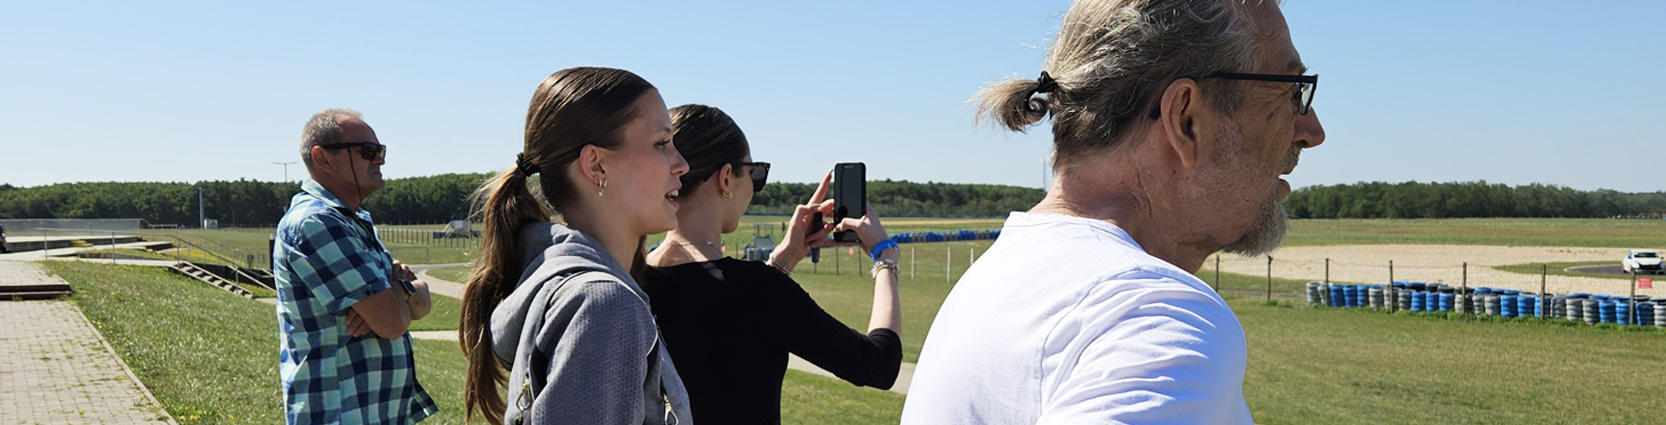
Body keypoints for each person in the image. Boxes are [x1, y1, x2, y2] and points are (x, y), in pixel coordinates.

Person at [902, 0, 1327, 423]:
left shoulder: (1003, 276)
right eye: (1289, 92)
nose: (1312, 131)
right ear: (1186, 120)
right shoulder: (1151, 315)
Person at [459, 67, 694, 425]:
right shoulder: (604, 305)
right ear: (596, 165)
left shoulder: (566, 286)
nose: (682, 164)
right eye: (661, 143)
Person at [642, 104, 902, 424]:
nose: (755, 184)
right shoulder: (759, 292)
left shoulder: (633, 274)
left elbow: (723, 307)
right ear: (726, 178)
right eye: (755, 173)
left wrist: (784, 260)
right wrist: (885, 258)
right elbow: (879, 365)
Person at [272, 108, 438, 423]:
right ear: (323, 158)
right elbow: (392, 323)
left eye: (381, 150)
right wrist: (391, 299)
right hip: (341, 415)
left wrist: (395, 292)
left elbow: (420, 302)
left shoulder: (355, 220)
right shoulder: (315, 222)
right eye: (368, 151)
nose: (381, 160)